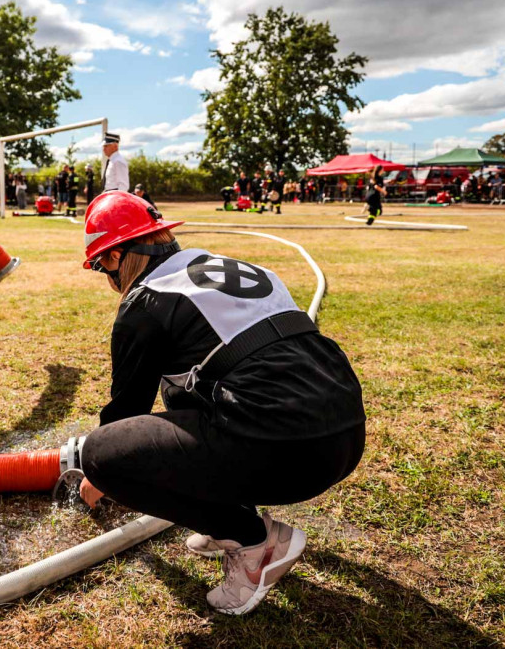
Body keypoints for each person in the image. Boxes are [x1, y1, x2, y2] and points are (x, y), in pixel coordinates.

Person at [77, 192, 366, 615]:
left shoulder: (145, 302)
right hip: (345, 433)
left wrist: (97, 473)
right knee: (187, 391)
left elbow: (125, 415)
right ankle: (229, 519)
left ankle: (253, 544)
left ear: (117, 255)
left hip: (290, 451)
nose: (106, 278)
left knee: (100, 452)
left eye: (102, 265)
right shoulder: (239, 269)